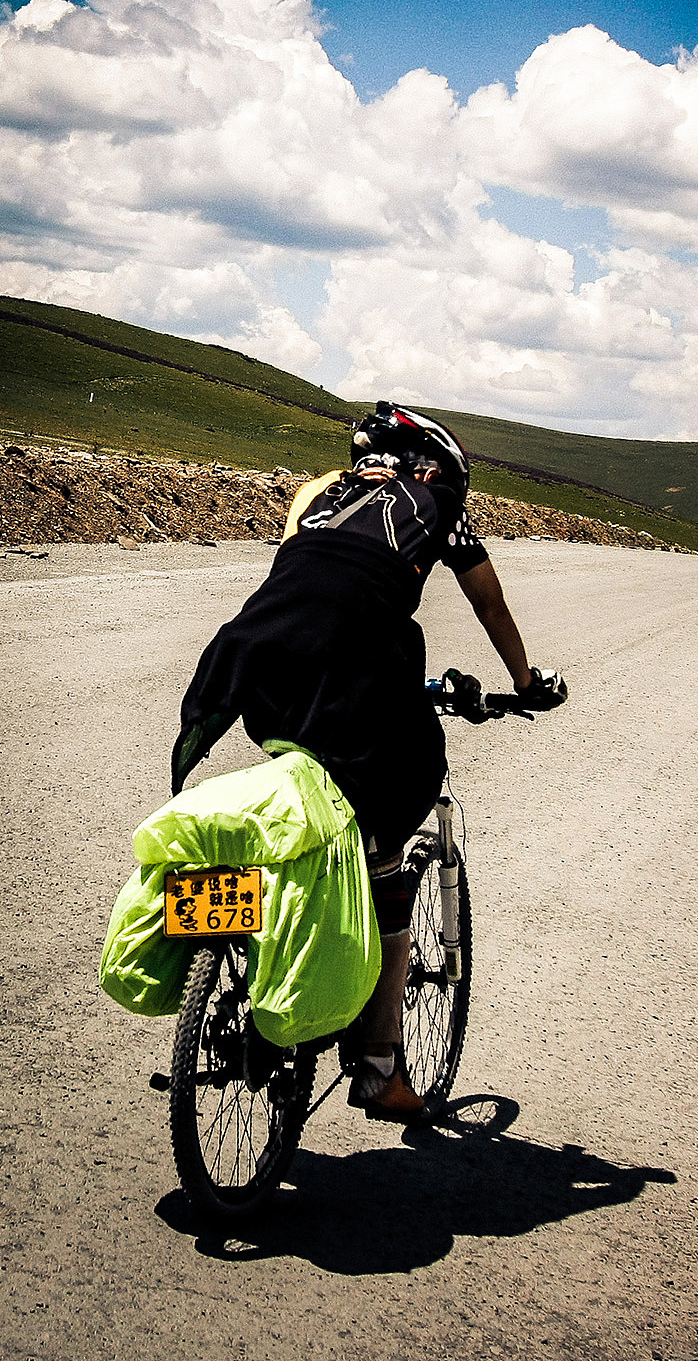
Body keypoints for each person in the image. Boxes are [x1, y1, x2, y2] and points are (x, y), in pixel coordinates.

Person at [171, 401, 567, 1122]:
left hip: (258, 653)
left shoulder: (317, 492)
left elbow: (306, 580)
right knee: (389, 826)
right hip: (356, 665)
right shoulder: (438, 504)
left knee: (307, 777)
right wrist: (526, 681)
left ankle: (255, 945)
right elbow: (488, 600)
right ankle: (380, 1069)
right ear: (436, 467)